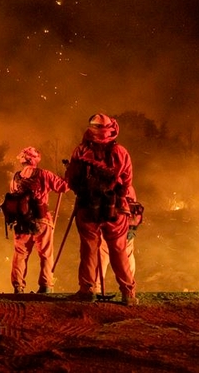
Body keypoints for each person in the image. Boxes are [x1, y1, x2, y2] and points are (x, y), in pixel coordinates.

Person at [65, 114, 137, 305]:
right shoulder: (121, 152)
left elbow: (71, 179)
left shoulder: (80, 151)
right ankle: (128, 293)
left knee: (89, 249)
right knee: (119, 249)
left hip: (87, 207)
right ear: (112, 129)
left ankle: (87, 290)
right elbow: (127, 181)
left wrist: (82, 190)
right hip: (115, 208)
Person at [5, 147, 69, 294]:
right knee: (46, 253)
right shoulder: (44, 174)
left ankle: (18, 286)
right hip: (42, 220)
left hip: (22, 222)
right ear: (34, 159)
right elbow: (64, 187)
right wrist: (69, 173)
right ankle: (46, 285)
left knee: (20, 254)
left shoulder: (16, 177)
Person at [97, 185, 141, 293]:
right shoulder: (128, 186)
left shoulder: (104, 183)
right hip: (129, 224)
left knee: (101, 253)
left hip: (111, 223)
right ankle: (128, 290)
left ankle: (95, 289)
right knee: (127, 254)